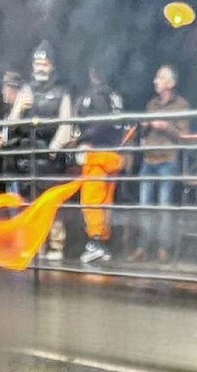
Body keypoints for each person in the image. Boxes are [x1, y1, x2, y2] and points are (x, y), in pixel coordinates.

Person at [13, 41, 73, 261]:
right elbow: (10, 125)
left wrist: (55, 148)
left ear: (52, 66)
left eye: (44, 63)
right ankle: (35, 245)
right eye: (37, 63)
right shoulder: (25, 90)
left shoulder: (61, 92)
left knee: (52, 205)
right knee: (29, 205)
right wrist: (20, 109)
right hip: (28, 157)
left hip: (50, 158)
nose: (40, 67)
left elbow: (66, 124)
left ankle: (56, 244)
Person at [129, 64, 189, 264]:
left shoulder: (181, 105)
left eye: (160, 78)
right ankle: (142, 247)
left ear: (171, 83)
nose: (155, 81)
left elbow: (184, 135)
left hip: (168, 160)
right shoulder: (151, 104)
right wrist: (144, 127)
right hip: (149, 159)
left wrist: (166, 126)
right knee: (144, 206)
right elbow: (142, 133)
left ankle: (164, 249)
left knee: (164, 207)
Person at [74, 63, 124, 264]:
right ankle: (103, 243)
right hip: (114, 153)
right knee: (106, 202)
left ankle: (95, 243)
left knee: (91, 200)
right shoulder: (116, 96)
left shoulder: (96, 96)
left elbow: (99, 123)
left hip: (97, 152)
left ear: (93, 74)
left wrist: (81, 138)